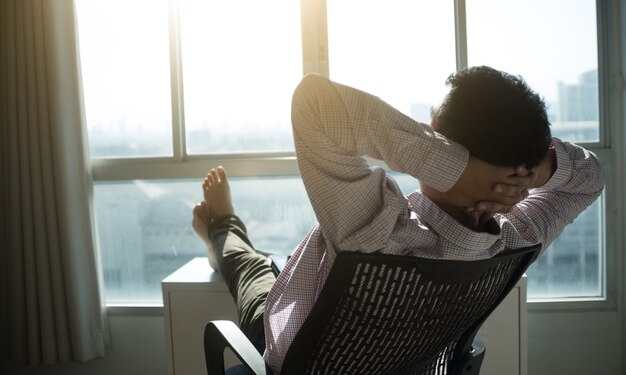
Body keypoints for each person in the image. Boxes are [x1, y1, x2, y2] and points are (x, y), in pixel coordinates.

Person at [192, 66, 605, 374]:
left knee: (249, 271)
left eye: (433, 135)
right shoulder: (516, 239)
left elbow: (315, 103)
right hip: (396, 358)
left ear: (451, 154)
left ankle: (223, 228)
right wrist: (530, 171)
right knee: (275, 261)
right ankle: (240, 243)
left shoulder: (378, 227)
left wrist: (461, 172)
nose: (423, 134)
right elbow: (592, 176)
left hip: (297, 349)